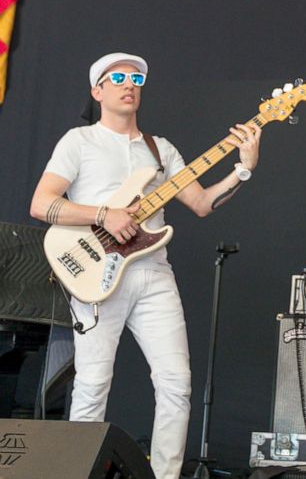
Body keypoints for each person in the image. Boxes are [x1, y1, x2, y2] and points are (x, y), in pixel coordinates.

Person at [30, 52, 262, 479]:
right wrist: (103, 215)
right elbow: (42, 204)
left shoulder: (161, 150)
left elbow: (201, 203)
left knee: (176, 384)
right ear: (97, 90)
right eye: (117, 76)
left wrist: (243, 170)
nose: (129, 82)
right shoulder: (78, 142)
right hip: (94, 275)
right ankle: (77, 474)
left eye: (136, 77)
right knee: (93, 382)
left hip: (153, 273)